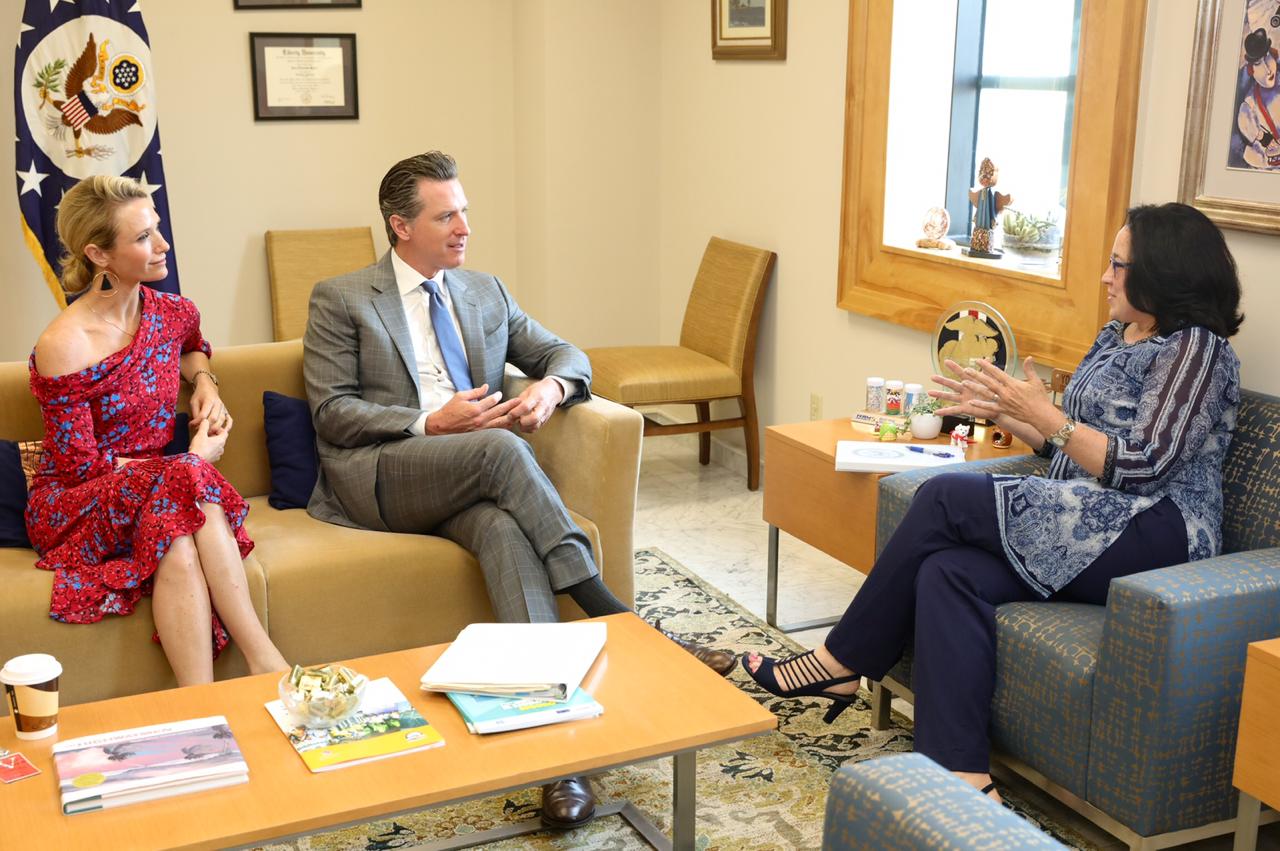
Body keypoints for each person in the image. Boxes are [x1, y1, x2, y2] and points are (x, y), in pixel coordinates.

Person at [744, 202, 1243, 801]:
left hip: (1161, 529)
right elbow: (1068, 450)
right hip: (1091, 512)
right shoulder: (1119, 333)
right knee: (947, 572)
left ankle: (840, 660)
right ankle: (961, 777)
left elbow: (1143, 466)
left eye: (1118, 264)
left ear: (1164, 272)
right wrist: (1013, 416)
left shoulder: (1196, 350)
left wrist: (1050, 420)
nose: (1106, 277)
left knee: (944, 498)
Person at [302, 151, 734, 829]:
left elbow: (568, 354)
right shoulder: (342, 297)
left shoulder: (485, 292)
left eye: (464, 209)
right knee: (503, 449)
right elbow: (332, 411)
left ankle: (558, 763)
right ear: (400, 226)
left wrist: (551, 389)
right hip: (384, 472)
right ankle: (608, 607)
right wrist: (428, 419)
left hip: (467, 473)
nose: (464, 225)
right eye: (446, 215)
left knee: (503, 528)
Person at [27, 175, 289, 686]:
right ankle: (265, 660)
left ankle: (199, 703)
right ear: (99, 255)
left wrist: (206, 385)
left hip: (156, 494)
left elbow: (193, 345)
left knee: (177, 535)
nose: (163, 244)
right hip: (76, 501)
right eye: (144, 236)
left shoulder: (171, 312)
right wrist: (187, 462)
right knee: (185, 482)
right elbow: (81, 466)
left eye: (158, 228)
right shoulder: (65, 342)